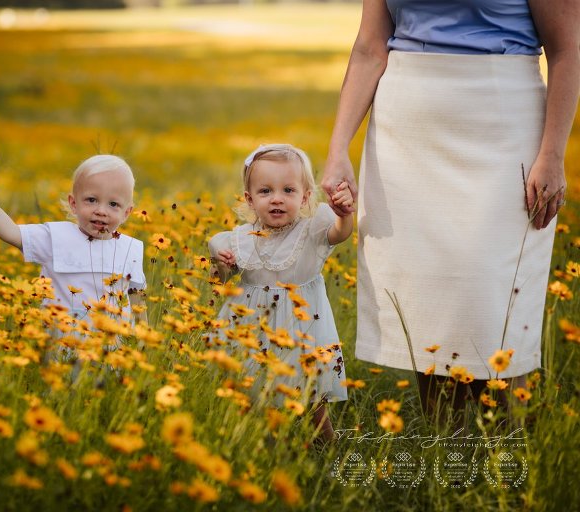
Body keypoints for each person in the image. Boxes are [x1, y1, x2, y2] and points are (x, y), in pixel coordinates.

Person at [320, 1, 580, 419]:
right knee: (428, 302)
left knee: (493, 301)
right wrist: (338, 150)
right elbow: (370, 47)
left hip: (502, 124)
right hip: (406, 129)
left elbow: (567, 49)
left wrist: (552, 154)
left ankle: (504, 454)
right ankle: (447, 454)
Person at [209, 143, 354, 440]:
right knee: (250, 386)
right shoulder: (239, 240)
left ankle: (326, 444)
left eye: (288, 191)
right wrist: (222, 266)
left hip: (303, 327)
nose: (277, 199)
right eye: (265, 192)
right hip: (253, 328)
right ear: (250, 199)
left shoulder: (312, 230)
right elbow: (219, 282)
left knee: (312, 390)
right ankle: (257, 440)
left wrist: (344, 215)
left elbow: (340, 234)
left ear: (305, 197)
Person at [0, 155, 147, 338]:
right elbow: (11, 233)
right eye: (91, 200)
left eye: (113, 204)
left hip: (110, 353)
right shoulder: (56, 237)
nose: (101, 210)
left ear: (126, 213)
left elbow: (138, 301)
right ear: (73, 203)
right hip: (59, 347)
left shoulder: (130, 249)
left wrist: (142, 343)